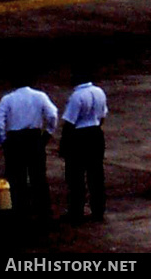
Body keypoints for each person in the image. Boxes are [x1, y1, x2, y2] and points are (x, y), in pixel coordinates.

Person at [0, 70, 58, 226]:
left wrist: (4, 141)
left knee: (16, 178)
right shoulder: (40, 96)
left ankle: (18, 213)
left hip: (15, 140)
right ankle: (43, 213)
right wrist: (48, 133)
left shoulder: (7, 99)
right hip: (34, 138)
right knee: (38, 177)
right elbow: (52, 114)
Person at [59, 66, 108, 222]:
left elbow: (69, 122)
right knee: (96, 174)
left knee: (76, 176)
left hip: (79, 136)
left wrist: (63, 144)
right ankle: (98, 209)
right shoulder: (99, 92)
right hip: (95, 133)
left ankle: (76, 210)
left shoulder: (76, 96)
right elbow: (102, 116)